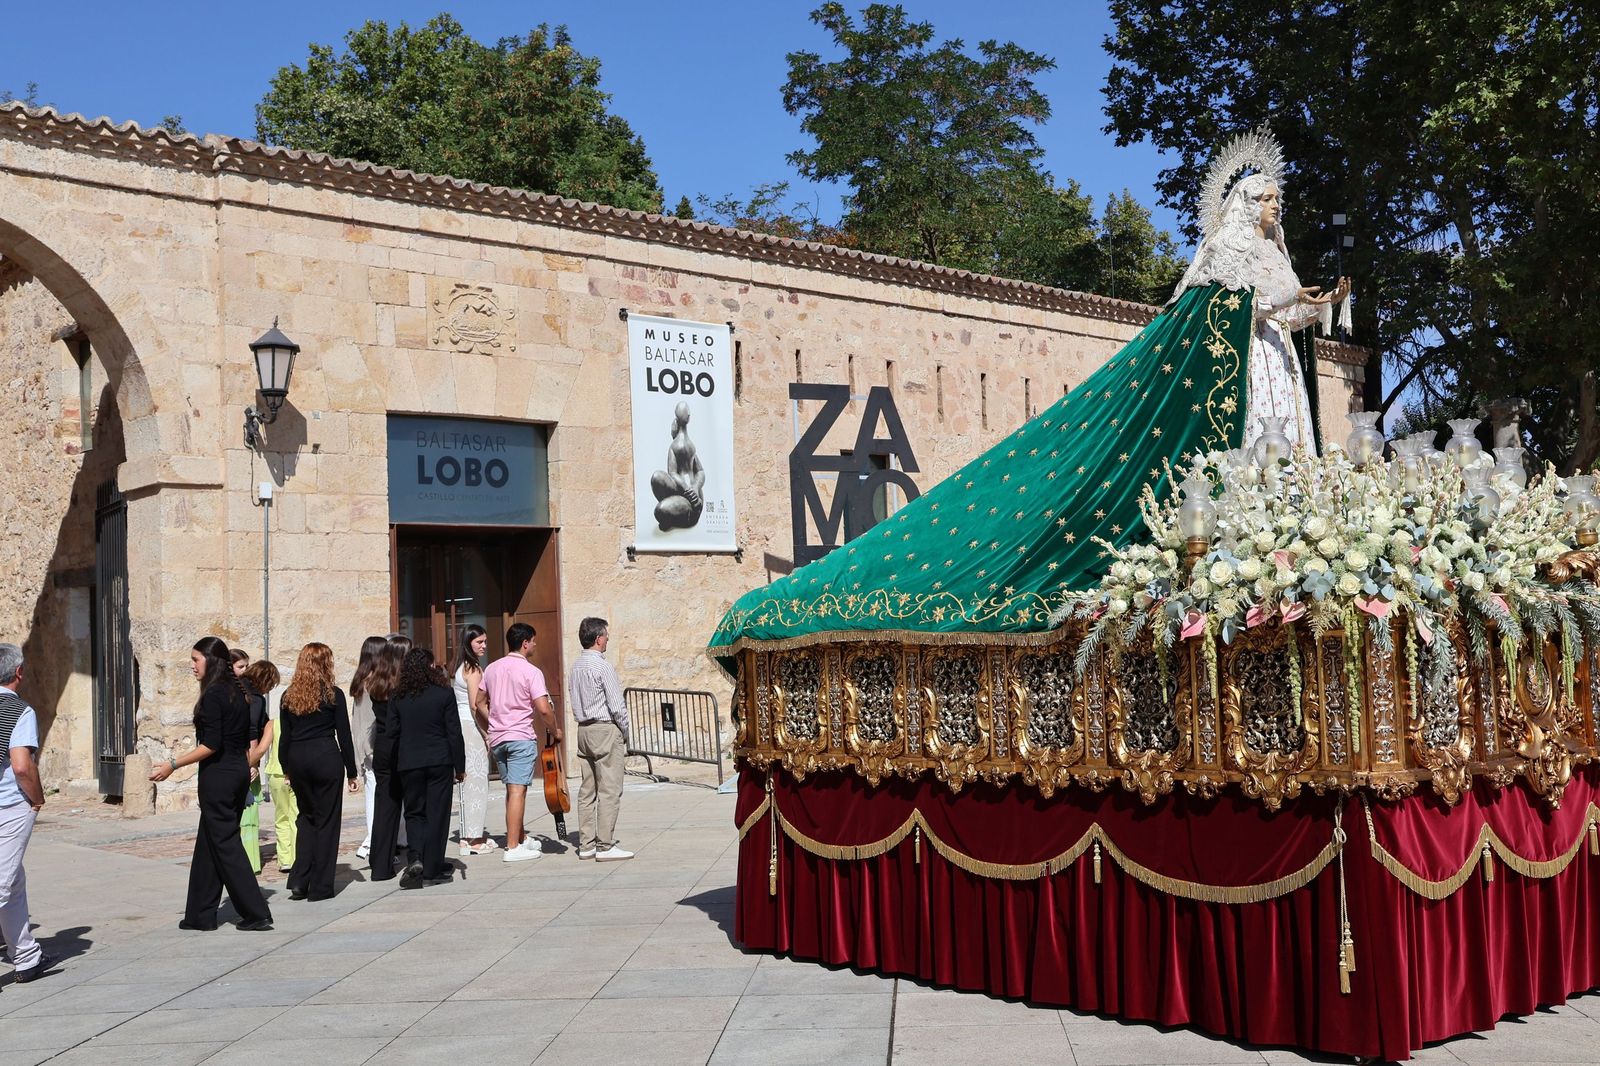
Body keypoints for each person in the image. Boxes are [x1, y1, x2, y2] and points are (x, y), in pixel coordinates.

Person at [150, 636, 273, 931]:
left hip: (219, 776)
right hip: (235, 773)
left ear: (212, 661)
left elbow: (211, 745)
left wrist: (173, 765)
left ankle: (256, 912)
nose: (192, 666)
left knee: (226, 843)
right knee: (209, 843)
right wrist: (250, 766)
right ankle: (200, 915)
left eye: (196, 660)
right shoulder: (239, 692)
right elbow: (246, 737)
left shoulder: (217, 694)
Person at [278, 643, 359, 901]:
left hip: (298, 759)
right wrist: (352, 771)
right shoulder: (333, 694)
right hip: (325, 757)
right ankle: (321, 886)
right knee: (327, 822)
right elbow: (344, 736)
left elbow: (285, 739)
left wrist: (286, 768)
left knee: (306, 818)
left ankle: (300, 880)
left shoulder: (288, 696)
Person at [480, 622, 560, 863]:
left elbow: (478, 701)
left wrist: (492, 720)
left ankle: (520, 837)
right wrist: (554, 729)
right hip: (519, 736)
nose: (535, 645)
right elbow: (544, 709)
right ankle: (513, 847)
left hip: (499, 737)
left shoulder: (492, 668)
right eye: (533, 641)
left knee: (512, 790)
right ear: (525, 643)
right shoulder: (531, 671)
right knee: (518, 790)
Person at [390, 648, 466, 886]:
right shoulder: (443, 693)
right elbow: (454, 732)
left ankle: (415, 857)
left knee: (414, 813)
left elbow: (391, 734)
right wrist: (459, 765)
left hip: (409, 762)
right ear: (430, 667)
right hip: (439, 760)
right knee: (437, 814)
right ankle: (432, 866)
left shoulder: (398, 697)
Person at [0, 644, 50, 982]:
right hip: (8, 805)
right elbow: (21, 766)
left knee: (13, 881)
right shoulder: (19, 710)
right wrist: (37, 799)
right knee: (3, 882)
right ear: (19, 672)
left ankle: (27, 956)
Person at [567, 618, 633, 862]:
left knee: (587, 790)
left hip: (583, 729)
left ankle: (586, 844)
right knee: (609, 789)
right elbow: (617, 705)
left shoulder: (575, 667)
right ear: (598, 639)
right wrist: (624, 731)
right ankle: (605, 845)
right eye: (605, 635)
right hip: (604, 728)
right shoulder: (602, 667)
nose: (608, 639)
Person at [366, 634, 411, 880]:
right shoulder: (402, 687)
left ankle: (380, 864)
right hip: (401, 746)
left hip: (382, 745)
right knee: (412, 805)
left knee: (385, 807)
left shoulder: (377, 682)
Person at [449, 625, 496, 856]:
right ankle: (474, 838)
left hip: (460, 726)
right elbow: (475, 704)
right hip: (471, 727)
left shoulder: (459, 667)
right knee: (476, 782)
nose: (484, 646)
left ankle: (467, 836)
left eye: (485, 641)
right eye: (479, 642)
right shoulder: (473, 669)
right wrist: (488, 732)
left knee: (465, 781)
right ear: (469, 643)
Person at [239, 659, 281, 875]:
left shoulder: (236, 687)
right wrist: (253, 763)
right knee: (249, 812)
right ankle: (249, 862)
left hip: (228, 756)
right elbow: (252, 731)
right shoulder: (254, 698)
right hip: (245, 758)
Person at [347, 635, 387, 861]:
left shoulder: (359, 681)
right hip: (374, 744)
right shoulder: (375, 683)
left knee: (372, 794)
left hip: (364, 745)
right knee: (378, 795)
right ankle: (372, 842)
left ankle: (373, 840)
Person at [650, 401, 706, 530]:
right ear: (689, 418)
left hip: (692, 506)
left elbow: (675, 473)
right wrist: (691, 488)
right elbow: (699, 471)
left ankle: (670, 514)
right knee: (656, 476)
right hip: (688, 495)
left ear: (676, 420)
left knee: (659, 510)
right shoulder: (688, 445)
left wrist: (693, 489)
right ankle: (672, 506)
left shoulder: (676, 446)